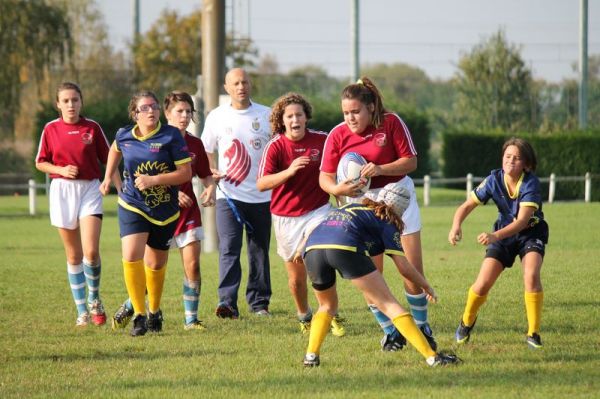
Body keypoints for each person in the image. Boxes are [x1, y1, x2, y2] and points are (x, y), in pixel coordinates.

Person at [318, 77, 436, 351]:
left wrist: (380, 168)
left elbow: (411, 161)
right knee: (371, 274)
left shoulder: (391, 122)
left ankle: (421, 326)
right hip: (362, 203)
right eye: (346, 113)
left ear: (371, 107)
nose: (350, 118)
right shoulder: (337, 134)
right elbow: (324, 177)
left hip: (398, 196)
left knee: (412, 268)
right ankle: (390, 331)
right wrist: (337, 187)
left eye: (356, 112)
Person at [301, 182, 459, 367]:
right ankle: (433, 357)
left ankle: (311, 356)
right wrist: (426, 286)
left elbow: (323, 226)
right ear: (400, 210)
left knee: (326, 306)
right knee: (389, 304)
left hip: (312, 248)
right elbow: (404, 268)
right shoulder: (387, 222)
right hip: (342, 245)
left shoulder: (356, 206)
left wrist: (302, 249)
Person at [111, 91, 216, 331]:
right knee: (150, 268)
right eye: (179, 111)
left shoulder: (194, 143)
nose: (185, 116)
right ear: (167, 114)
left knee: (192, 265)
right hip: (152, 210)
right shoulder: (145, 137)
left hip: (186, 212)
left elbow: (204, 175)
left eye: (189, 112)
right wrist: (112, 179)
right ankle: (135, 307)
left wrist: (210, 188)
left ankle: (190, 319)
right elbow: (120, 154)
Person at [100, 91, 192, 336]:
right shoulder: (124, 135)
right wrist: (109, 176)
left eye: (154, 107)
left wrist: (155, 180)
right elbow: (114, 150)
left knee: (156, 263)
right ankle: (139, 315)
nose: (151, 111)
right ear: (135, 113)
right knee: (131, 256)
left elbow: (185, 173)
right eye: (144, 108)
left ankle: (154, 309)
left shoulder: (170, 135)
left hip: (165, 209)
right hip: (132, 204)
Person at [256, 92, 344, 336]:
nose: (295, 120)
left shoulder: (322, 140)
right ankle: (304, 315)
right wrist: (289, 171)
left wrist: (341, 197)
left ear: (306, 117)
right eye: (289, 116)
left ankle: (330, 313)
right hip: (286, 218)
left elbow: (334, 172)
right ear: (282, 121)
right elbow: (262, 183)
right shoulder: (275, 146)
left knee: (321, 264)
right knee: (296, 280)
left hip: (319, 211)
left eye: (299, 115)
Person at [448, 137, 548, 349]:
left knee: (531, 274)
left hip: (530, 233)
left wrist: (494, 236)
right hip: (504, 234)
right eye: (507, 156)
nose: (511, 161)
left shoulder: (531, 183)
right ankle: (466, 322)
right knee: (482, 284)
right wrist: (456, 225)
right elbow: (467, 205)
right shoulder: (494, 179)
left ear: (526, 164)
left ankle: (533, 333)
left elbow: (522, 222)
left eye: (517, 158)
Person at [35, 82, 117, 327]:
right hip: (62, 191)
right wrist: (60, 169)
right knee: (74, 255)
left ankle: (94, 299)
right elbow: (40, 162)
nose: (71, 105)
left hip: (90, 188)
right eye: (66, 101)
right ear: (58, 104)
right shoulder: (50, 129)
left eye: (75, 100)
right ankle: (82, 311)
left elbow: (109, 158)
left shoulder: (92, 127)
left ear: (81, 102)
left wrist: (120, 188)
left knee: (90, 253)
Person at [201, 68, 272, 318]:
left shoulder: (266, 114)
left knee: (259, 250)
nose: (241, 87)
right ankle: (227, 303)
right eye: (236, 83)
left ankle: (259, 303)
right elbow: (206, 148)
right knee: (229, 248)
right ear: (226, 87)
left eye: (245, 82)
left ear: (250, 84)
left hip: (262, 196)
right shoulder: (217, 116)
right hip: (228, 194)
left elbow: (279, 148)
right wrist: (210, 173)